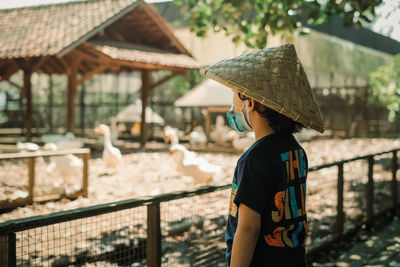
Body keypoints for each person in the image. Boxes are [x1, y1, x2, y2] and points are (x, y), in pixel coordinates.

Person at [200, 44, 324, 266]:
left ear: (251, 101)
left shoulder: (254, 159)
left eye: (235, 95)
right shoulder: (296, 150)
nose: (233, 104)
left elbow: (248, 228)